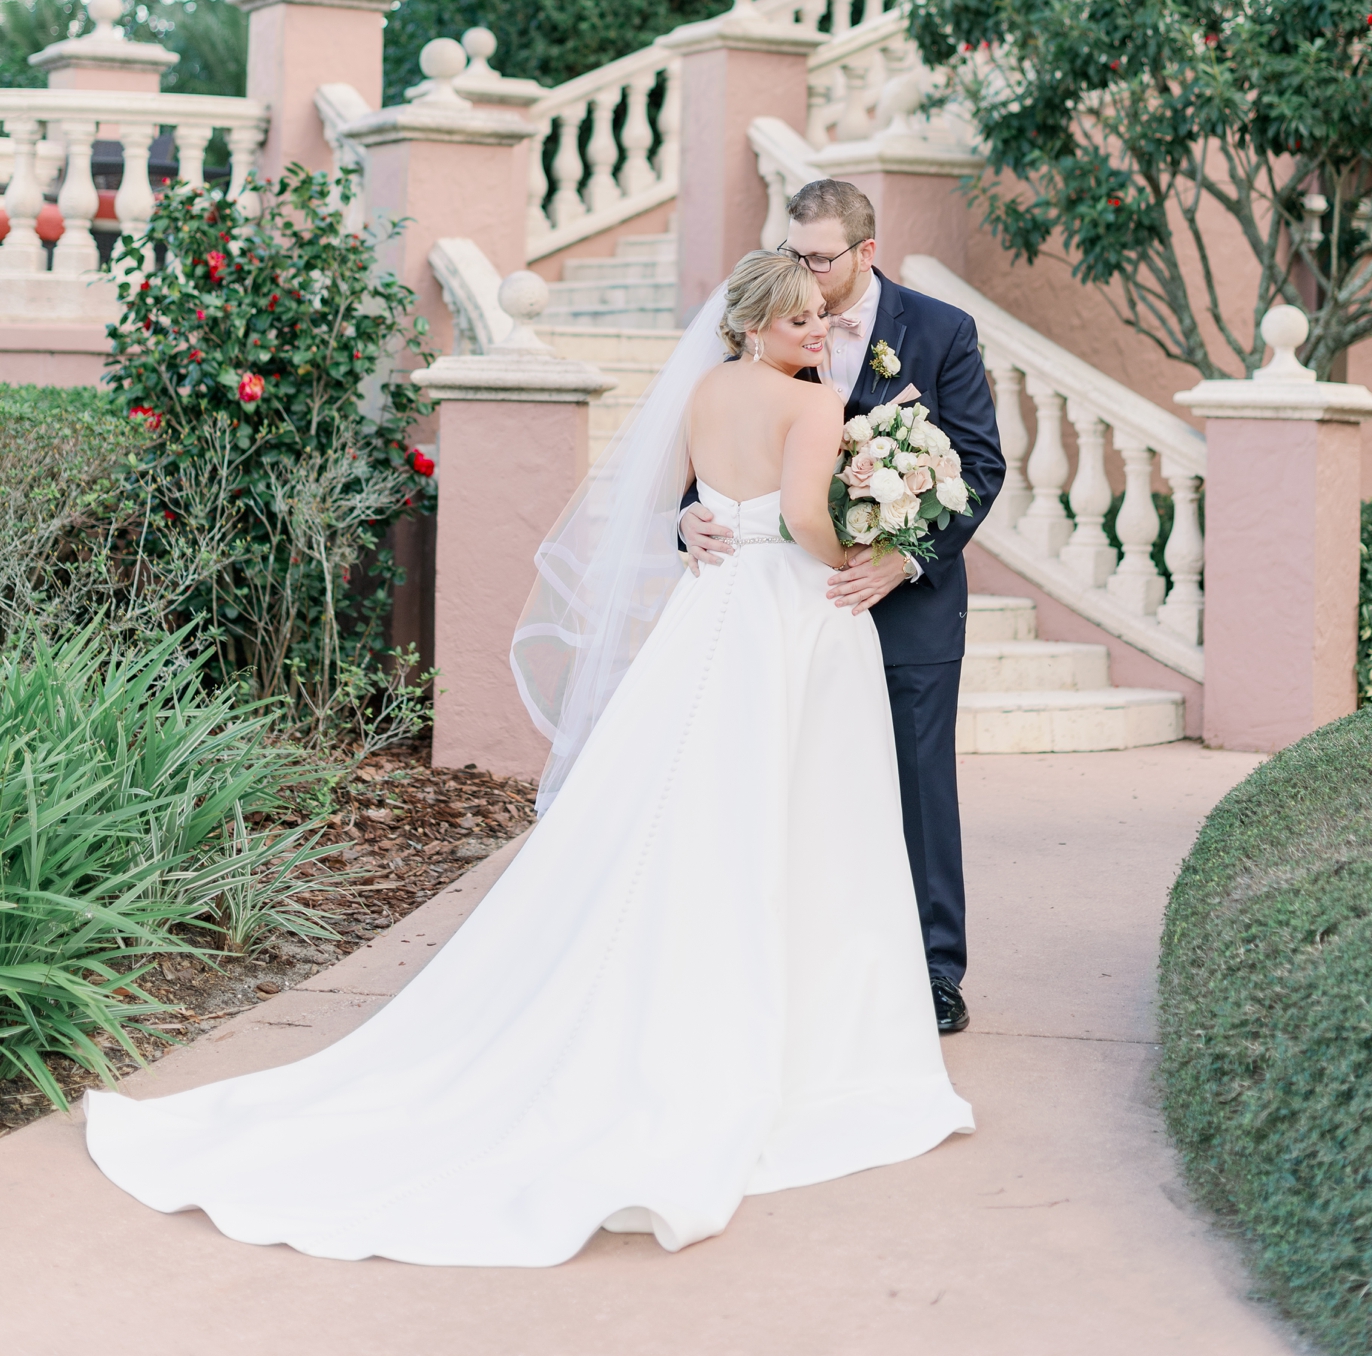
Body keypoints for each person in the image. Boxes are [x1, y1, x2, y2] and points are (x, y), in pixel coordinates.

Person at [85, 251, 972, 1267]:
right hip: (788, 614)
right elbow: (808, 520)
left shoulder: (703, 391)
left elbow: (691, 501)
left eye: (822, 316)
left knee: (692, 796)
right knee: (795, 804)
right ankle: (797, 1017)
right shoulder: (811, 405)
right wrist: (866, 554)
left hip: (710, 610)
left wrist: (705, 522)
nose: (822, 332)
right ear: (756, 326)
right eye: (803, 319)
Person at [681, 182, 1005, 1036]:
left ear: (866, 252)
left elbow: (980, 466)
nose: (805, 270)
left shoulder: (941, 331)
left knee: (918, 786)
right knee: (801, 779)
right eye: (794, 252)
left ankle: (934, 970)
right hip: (789, 599)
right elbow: (716, 446)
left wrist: (904, 559)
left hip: (909, 602)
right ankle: (806, 957)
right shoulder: (768, 321)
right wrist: (689, 517)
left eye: (820, 257)